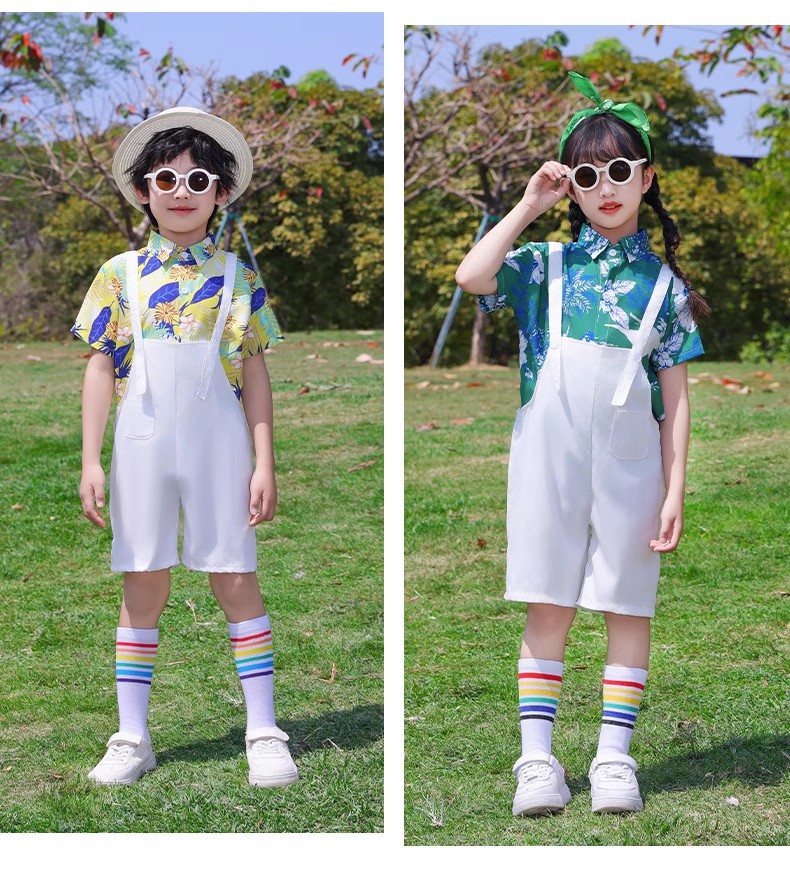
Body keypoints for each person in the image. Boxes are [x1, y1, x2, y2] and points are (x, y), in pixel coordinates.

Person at [455, 72, 706, 816]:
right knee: (547, 602)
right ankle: (537, 761)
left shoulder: (665, 288)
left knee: (628, 605)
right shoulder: (544, 267)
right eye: (588, 175)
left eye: (620, 170)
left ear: (647, 178)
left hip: (633, 465)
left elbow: (677, 401)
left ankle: (614, 759)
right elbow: (472, 275)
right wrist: (531, 204)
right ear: (573, 186)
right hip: (548, 459)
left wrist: (675, 488)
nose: (606, 188)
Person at [72, 107, 298, 788]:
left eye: (198, 180)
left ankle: (264, 731)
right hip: (139, 444)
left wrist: (264, 461)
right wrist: (90, 459)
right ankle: (131, 737)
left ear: (220, 193)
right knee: (142, 580)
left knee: (235, 576)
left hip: (219, 446)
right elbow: (100, 366)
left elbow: (254, 372)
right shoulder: (120, 274)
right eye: (165, 178)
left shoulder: (238, 277)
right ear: (143, 190)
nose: (180, 191)